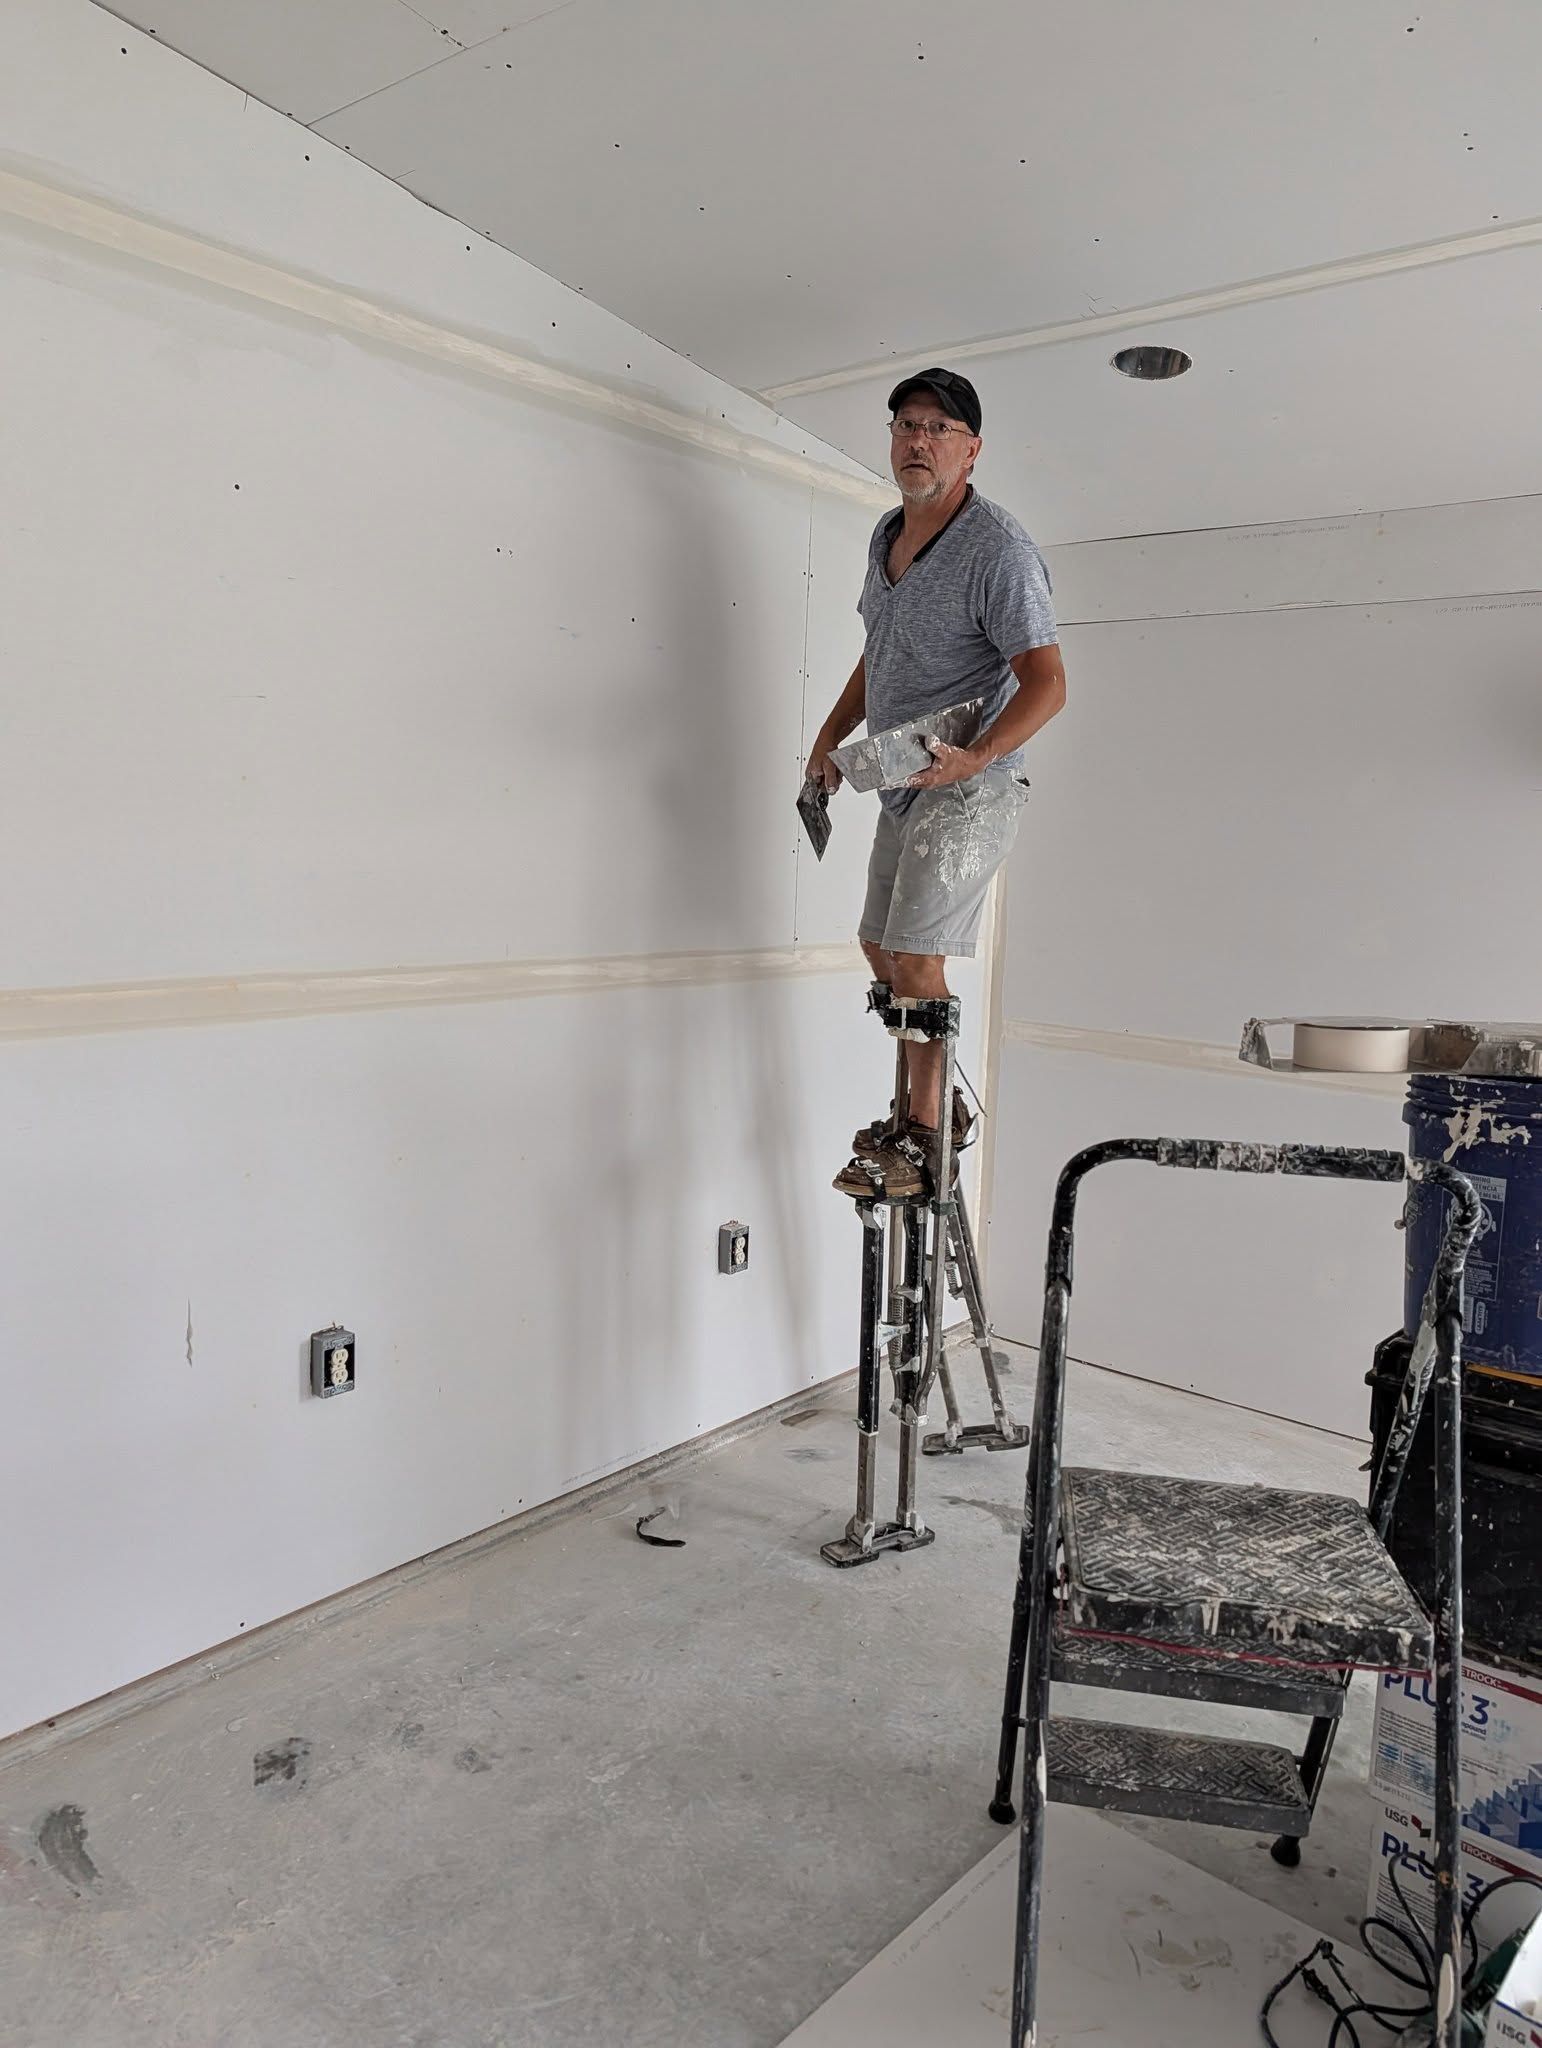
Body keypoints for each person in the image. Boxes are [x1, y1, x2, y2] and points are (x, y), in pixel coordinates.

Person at [805, 368, 1066, 1199]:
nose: (917, 441)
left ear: (972, 449)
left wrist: (979, 758)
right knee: (880, 947)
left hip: (970, 785)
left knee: (917, 955)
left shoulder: (998, 551)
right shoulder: (888, 533)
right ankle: (931, 1105)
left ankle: (923, 1139)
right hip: (903, 775)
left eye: (938, 429)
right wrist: (826, 737)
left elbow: (1048, 682)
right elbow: (875, 650)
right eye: (905, 425)